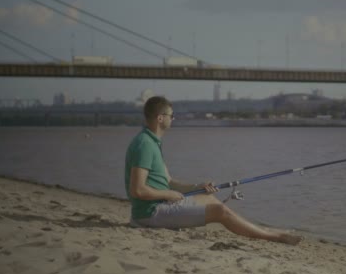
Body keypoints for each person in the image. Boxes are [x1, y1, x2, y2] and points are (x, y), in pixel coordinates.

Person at [125, 96, 302, 245]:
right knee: (219, 211)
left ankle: (260, 229)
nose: (174, 119)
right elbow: (138, 190)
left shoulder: (151, 142)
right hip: (150, 214)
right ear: (160, 118)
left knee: (208, 197)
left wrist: (198, 186)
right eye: (172, 115)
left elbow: (169, 182)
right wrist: (169, 195)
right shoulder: (145, 145)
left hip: (158, 206)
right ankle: (274, 237)